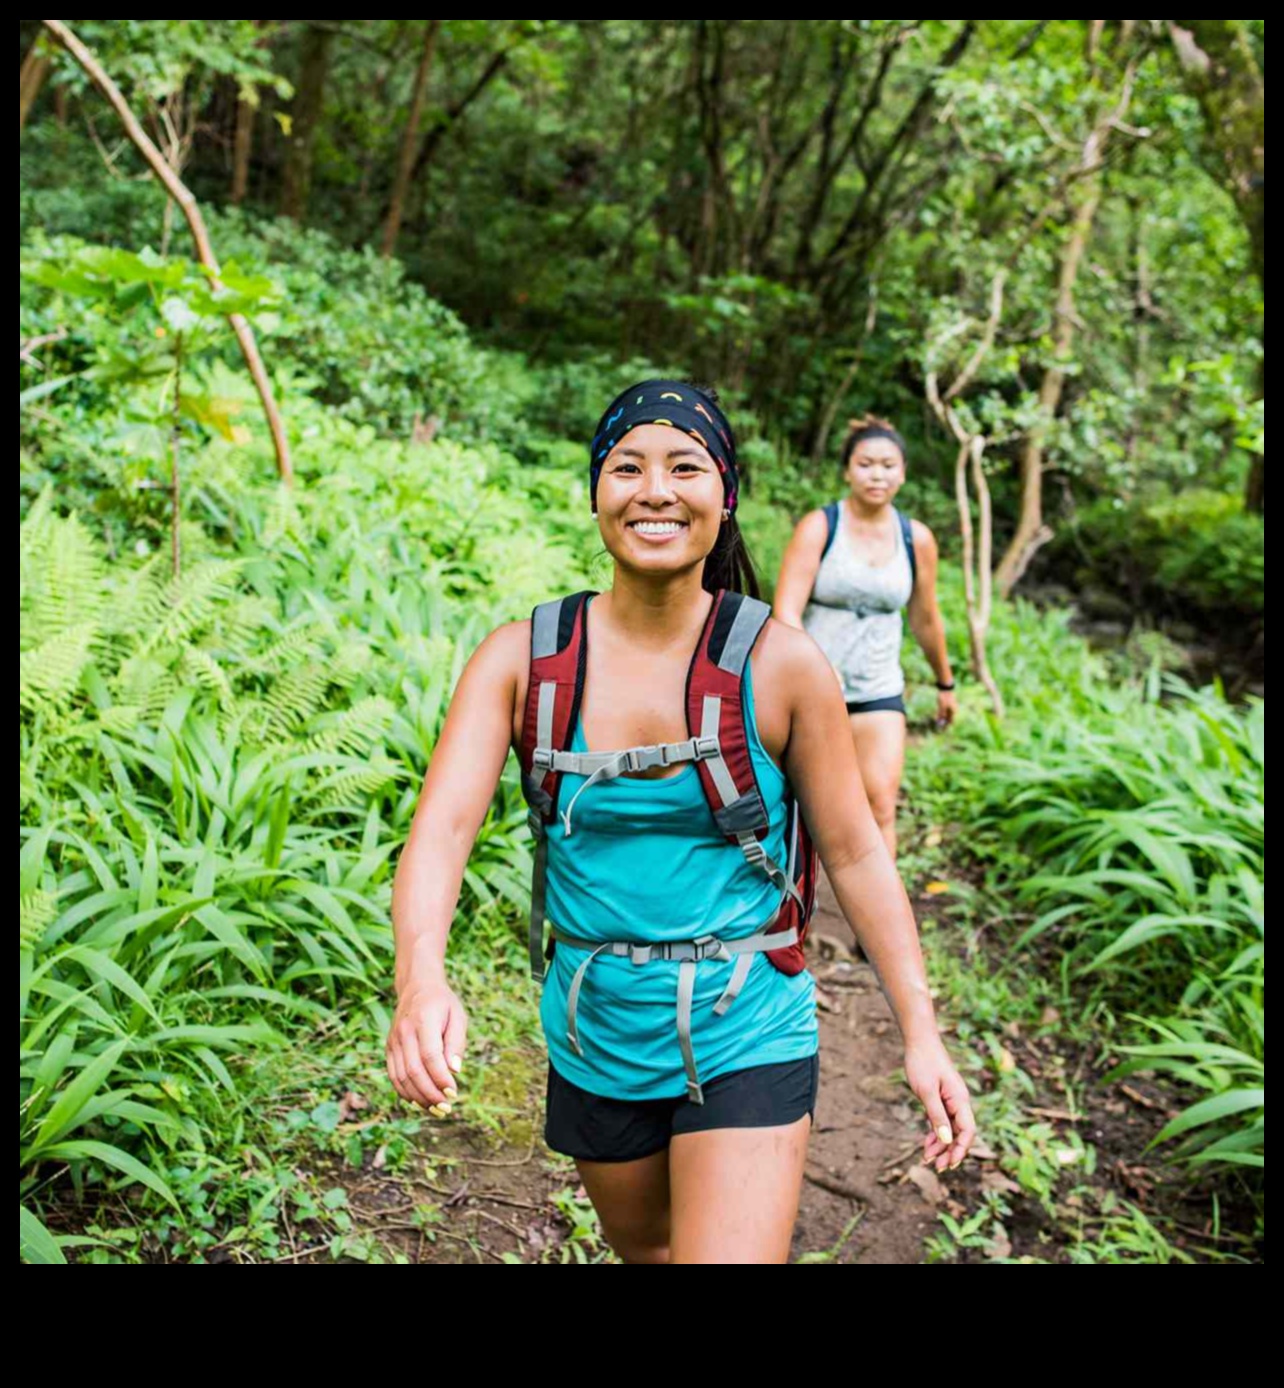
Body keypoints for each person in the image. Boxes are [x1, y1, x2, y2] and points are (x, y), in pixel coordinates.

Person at [386, 381, 974, 1264]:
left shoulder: (780, 665)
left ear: (724, 494)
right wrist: (420, 980)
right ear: (595, 492)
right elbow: (441, 830)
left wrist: (920, 1032)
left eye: (685, 467)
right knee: (650, 1251)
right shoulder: (523, 662)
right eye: (627, 467)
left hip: (750, 1022)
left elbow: (854, 853)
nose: (655, 489)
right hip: (596, 1026)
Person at [773, 416, 956, 860]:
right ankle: (798, 916)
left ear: (903, 472)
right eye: (866, 464)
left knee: (879, 807)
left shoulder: (917, 539)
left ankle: (871, 929)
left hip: (878, 688)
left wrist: (945, 683)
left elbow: (926, 618)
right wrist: (815, 666)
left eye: (888, 465)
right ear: (847, 471)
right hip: (813, 689)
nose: (877, 474)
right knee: (800, 807)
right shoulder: (820, 526)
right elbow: (786, 610)